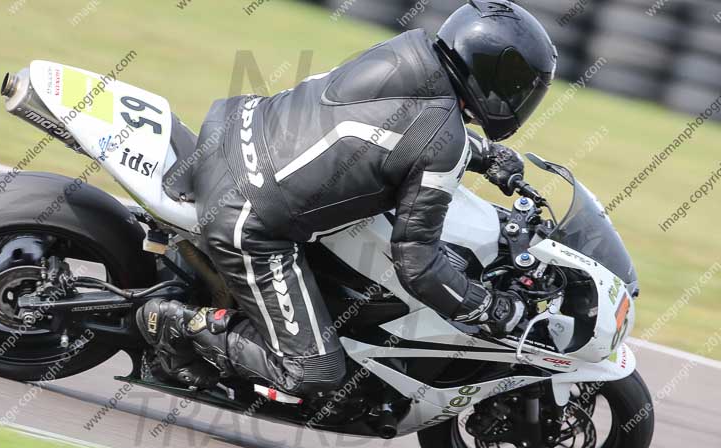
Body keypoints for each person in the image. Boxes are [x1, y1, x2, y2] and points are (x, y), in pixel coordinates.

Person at [136, 0, 558, 397]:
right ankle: (175, 323)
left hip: (234, 130)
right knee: (313, 371)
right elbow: (417, 264)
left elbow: (390, 126)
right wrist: (484, 306)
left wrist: (482, 153)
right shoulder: (441, 140)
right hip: (247, 216)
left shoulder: (408, 52)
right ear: (497, 77)